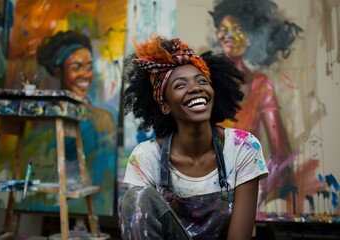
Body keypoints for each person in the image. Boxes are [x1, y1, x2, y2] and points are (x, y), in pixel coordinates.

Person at [119, 35, 269, 239]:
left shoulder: (242, 147)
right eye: (180, 85)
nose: (196, 88)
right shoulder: (146, 156)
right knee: (136, 198)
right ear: (164, 105)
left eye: (201, 81)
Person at [209, 0, 302, 211]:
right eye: (223, 29)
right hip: (205, 187)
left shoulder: (261, 85)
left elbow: (279, 151)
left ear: (249, 37)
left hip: (245, 190)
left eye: (237, 29)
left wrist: (262, 195)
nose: (228, 35)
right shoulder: (206, 80)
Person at [37, 30, 114, 133]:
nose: (86, 75)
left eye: (89, 67)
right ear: (58, 72)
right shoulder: (44, 113)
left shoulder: (102, 119)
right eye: (76, 67)